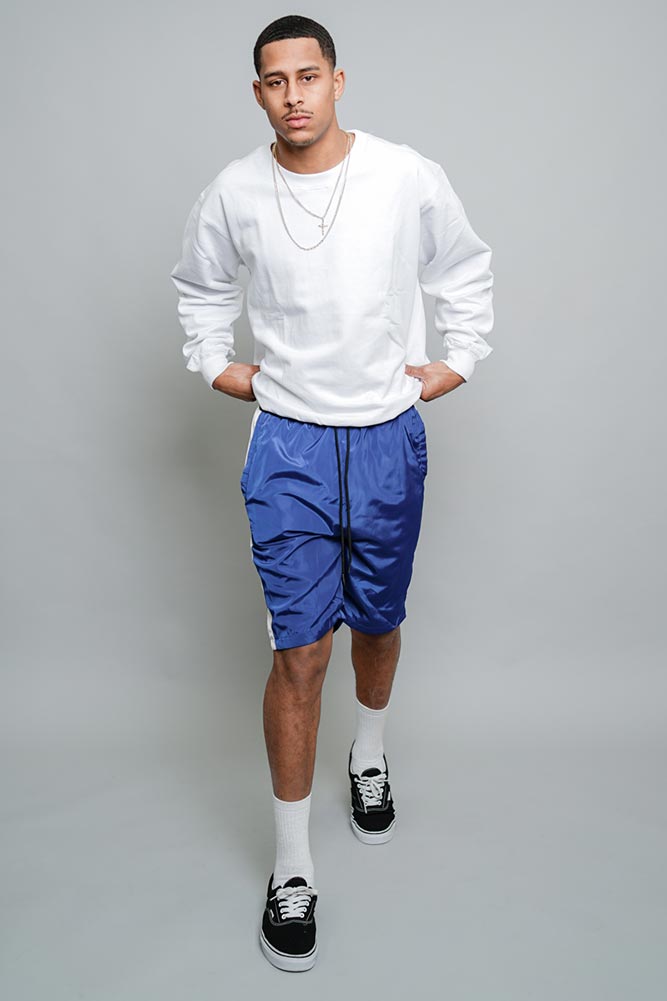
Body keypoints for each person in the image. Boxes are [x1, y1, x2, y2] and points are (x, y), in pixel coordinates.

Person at [170, 13, 494, 973]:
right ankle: (292, 867)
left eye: (308, 76)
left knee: (379, 623)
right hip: (289, 446)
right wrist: (217, 363)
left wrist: (459, 356)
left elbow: (462, 263)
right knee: (300, 651)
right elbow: (199, 288)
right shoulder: (234, 190)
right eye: (275, 81)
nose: (294, 95)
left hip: (388, 435)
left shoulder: (401, 173)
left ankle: (370, 753)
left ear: (337, 80)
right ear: (258, 93)